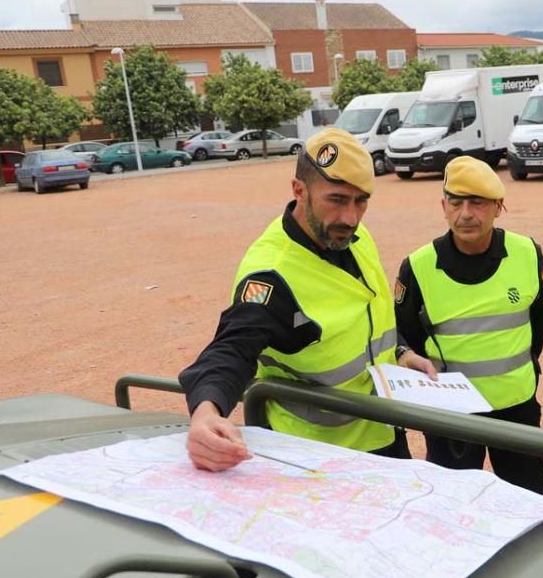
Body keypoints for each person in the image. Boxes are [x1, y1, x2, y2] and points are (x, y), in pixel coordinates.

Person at [180, 128, 436, 472]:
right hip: (314, 457)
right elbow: (232, 349)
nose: (351, 217)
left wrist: (402, 352)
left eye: (361, 200)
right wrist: (206, 413)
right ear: (299, 190)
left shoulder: (353, 237)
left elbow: (369, 312)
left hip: (383, 432)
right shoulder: (272, 273)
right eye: (337, 199)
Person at [393, 156, 543, 494]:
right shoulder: (418, 267)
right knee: (455, 505)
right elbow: (404, 333)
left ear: (498, 207)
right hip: (452, 416)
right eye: (456, 202)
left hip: (516, 407)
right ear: (443, 206)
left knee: (525, 502)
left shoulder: (527, 253)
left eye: (477, 203)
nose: (466, 213)